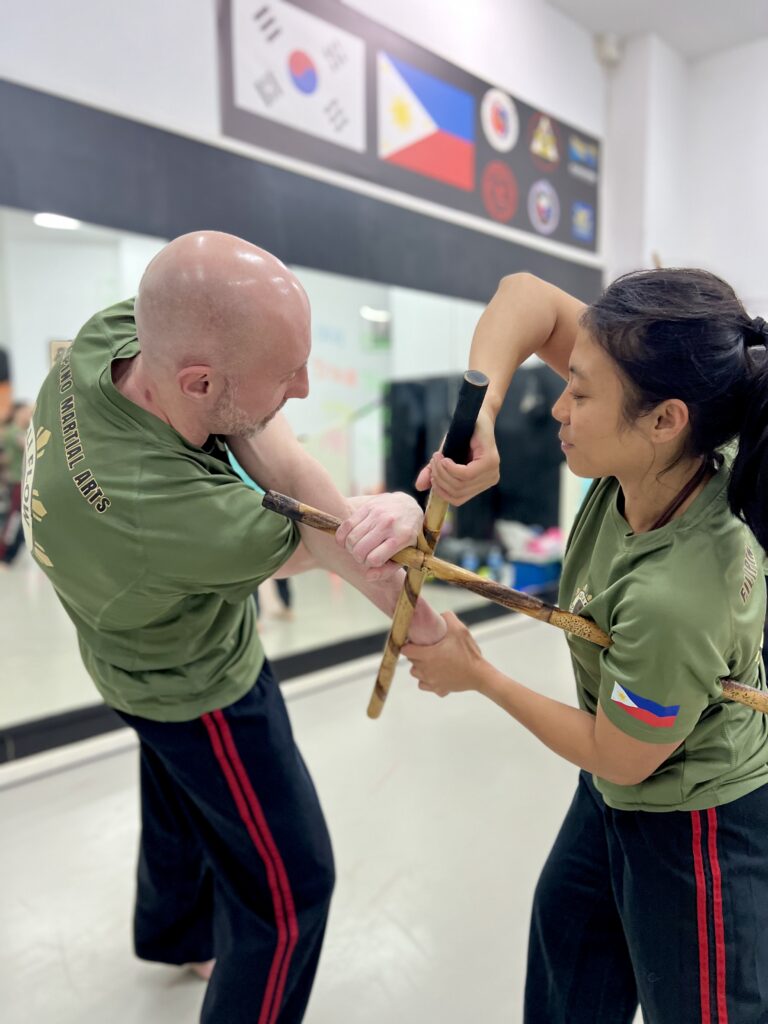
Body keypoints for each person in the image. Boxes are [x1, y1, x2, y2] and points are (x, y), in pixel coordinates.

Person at [22, 231, 445, 1024]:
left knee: (178, 796)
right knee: (289, 892)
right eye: (286, 376)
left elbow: (263, 437)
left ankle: (174, 932)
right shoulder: (179, 515)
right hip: (198, 688)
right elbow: (324, 534)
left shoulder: (110, 341)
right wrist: (380, 526)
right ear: (200, 379)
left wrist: (351, 526)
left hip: (118, 657)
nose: (308, 389)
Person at [403, 269, 768, 1024]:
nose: (560, 408)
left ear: (666, 420)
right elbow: (526, 297)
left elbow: (620, 752)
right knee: (568, 967)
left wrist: (478, 675)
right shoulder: (662, 440)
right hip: (613, 796)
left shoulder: (676, 593)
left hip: (691, 821)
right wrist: (484, 414)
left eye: (581, 392)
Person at [0, 401, 31, 566]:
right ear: (18, 413)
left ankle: (8, 555)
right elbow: (29, 445)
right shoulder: (13, 431)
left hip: (24, 482)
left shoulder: (24, 431)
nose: (29, 414)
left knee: (20, 521)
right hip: (16, 482)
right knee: (14, 520)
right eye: (26, 411)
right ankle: (4, 555)